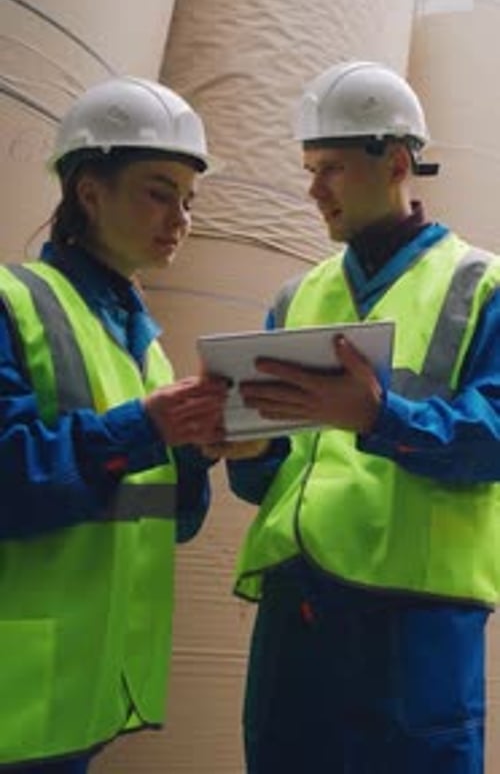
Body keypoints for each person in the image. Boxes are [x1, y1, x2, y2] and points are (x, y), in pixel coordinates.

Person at [219, 61, 500, 773]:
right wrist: (250, 457)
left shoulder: (481, 286)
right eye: (311, 168)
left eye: (332, 168)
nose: (314, 189)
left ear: (398, 163)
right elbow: (279, 481)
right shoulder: (295, 297)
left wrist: (382, 418)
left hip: (414, 620)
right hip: (296, 606)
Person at [0, 76, 229, 772]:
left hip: (83, 696)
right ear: (89, 191)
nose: (180, 218)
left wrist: (196, 455)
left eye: (188, 201)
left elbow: (164, 519)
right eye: (159, 191)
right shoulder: (14, 303)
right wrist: (144, 429)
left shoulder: (146, 350)